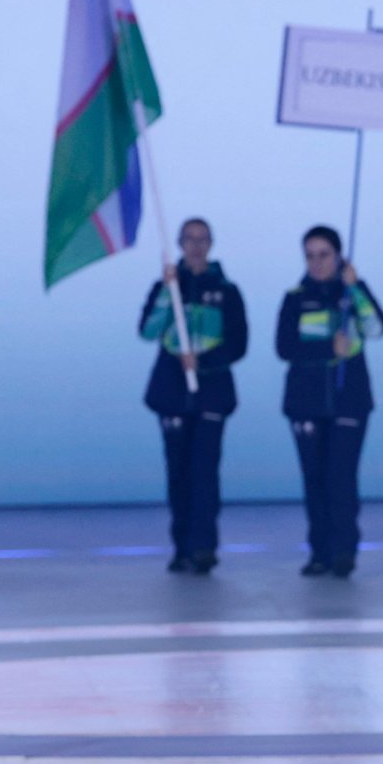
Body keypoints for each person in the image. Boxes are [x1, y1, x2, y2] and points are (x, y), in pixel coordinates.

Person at [276, 225, 383, 578]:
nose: (317, 262)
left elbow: (376, 328)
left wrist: (355, 286)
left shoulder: (351, 294)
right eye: (310, 255)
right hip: (305, 404)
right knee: (314, 480)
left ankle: (343, 552)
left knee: (341, 479)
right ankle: (319, 553)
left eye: (324, 254)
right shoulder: (295, 297)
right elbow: (285, 347)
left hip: (349, 402)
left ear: (338, 256)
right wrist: (328, 348)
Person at [138, 218, 247, 574]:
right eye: (190, 240)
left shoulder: (227, 291)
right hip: (172, 395)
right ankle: (181, 547)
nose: (196, 246)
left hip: (211, 397)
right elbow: (147, 330)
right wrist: (168, 294)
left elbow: (238, 343)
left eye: (203, 240)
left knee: (205, 474)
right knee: (178, 474)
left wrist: (203, 361)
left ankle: (204, 546)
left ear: (211, 243)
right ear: (180, 244)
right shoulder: (167, 286)